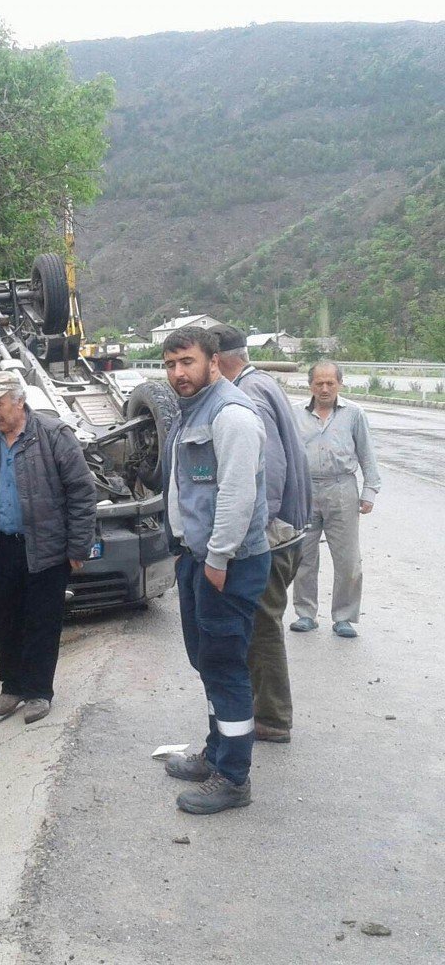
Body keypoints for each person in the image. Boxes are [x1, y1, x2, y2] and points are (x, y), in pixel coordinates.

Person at [160, 326, 271, 814]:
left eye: (186, 362)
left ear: (213, 361)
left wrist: (220, 558)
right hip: (197, 557)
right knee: (206, 661)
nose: (178, 373)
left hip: (227, 563)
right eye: (170, 364)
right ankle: (216, 753)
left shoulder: (231, 415)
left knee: (225, 666)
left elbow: (238, 495)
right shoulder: (192, 412)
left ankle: (234, 778)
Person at [0, 369, 97, 725]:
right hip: (2, 545)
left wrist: (78, 546)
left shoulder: (54, 436)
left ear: (19, 402)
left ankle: (39, 691)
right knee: (3, 619)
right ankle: (12, 687)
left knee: (42, 620)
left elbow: (81, 493)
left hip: (46, 546)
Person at [210, 325, 312, 743]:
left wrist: (255, 530)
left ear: (218, 361)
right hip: (289, 529)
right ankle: (262, 708)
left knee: (262, 625)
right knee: (261, 622)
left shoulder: (246, 395)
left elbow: (267, 471)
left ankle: (271, 717)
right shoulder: (264, 382)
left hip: (272, 533)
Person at [291, 361, 381, 638]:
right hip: (306, 491)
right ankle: (305, 613)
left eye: (330, 383)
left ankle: (344, 616)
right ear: (310, 386)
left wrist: (370, 491)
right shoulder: (296, 414)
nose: (325, 388)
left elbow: (367, 454)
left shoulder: (354, 413)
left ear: (339, 384)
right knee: (304, 555)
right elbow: (288, 455)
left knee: (348, 559)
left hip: (342, 488)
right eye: (319, 383)